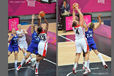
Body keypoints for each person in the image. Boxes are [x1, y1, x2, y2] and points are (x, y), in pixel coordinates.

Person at [72, 3, 90, 75]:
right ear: (77, 22)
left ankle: (74, 67)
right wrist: (77, 9)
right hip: (82, 40)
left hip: (77, 41)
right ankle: (85, 65)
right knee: (87, 53)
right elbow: (81, 16)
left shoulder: (73, 26)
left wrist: (73, 10)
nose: (76, 20)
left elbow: (73, 17)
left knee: (77, 54)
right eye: (76, 20)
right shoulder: (80, 26)